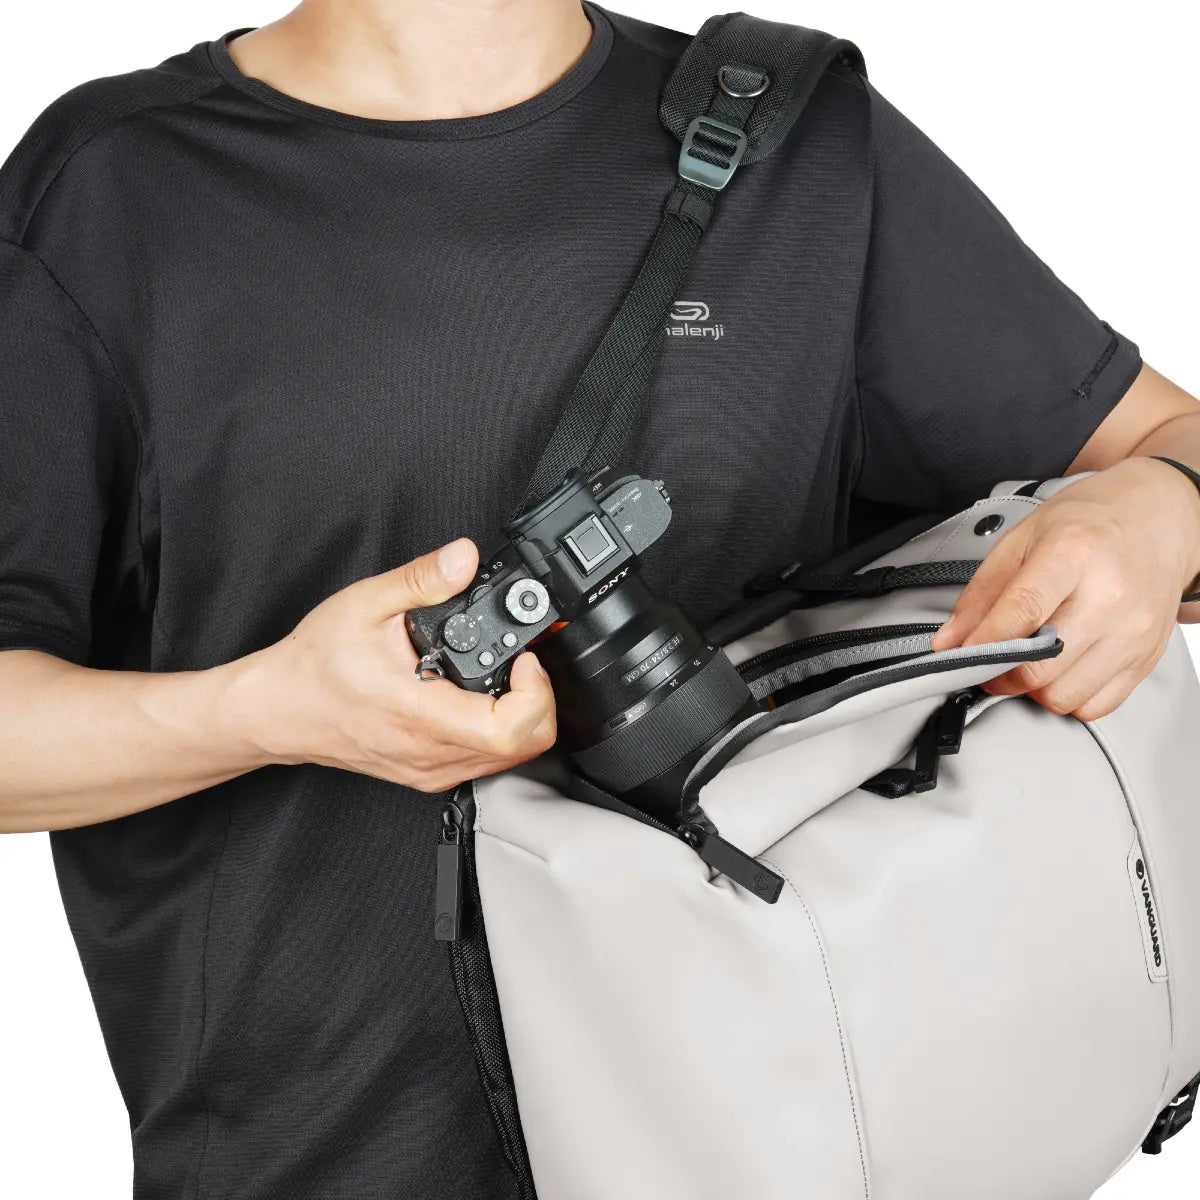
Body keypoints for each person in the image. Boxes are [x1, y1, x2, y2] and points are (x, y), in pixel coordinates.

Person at [0, 0, 1197, 1195]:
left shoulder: (798, 144)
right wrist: (265, 713)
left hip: (786, 1148)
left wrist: (1156, 505)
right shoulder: (111, 192)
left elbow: (1172, 445)